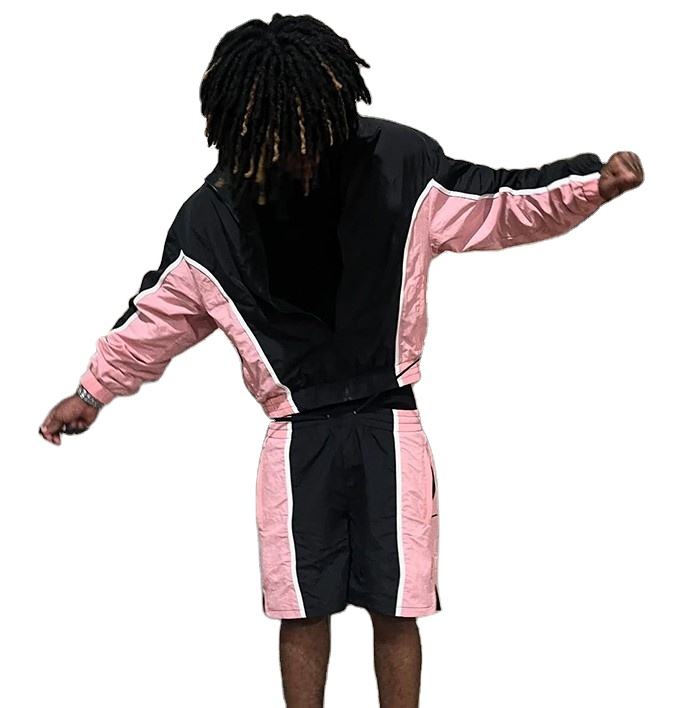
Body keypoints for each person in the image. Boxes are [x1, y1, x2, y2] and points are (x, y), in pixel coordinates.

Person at [38, 12, 644, 708]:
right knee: (301, 605)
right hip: (296, 433)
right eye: (282, 142)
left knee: (398, 603)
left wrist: (590, 186)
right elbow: (157, 318)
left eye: (313, 137)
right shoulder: (212, 220)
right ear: (245, 132)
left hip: (390, 419)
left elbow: (496, 203)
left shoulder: (398, 164)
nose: (302, 157)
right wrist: (91, 391)